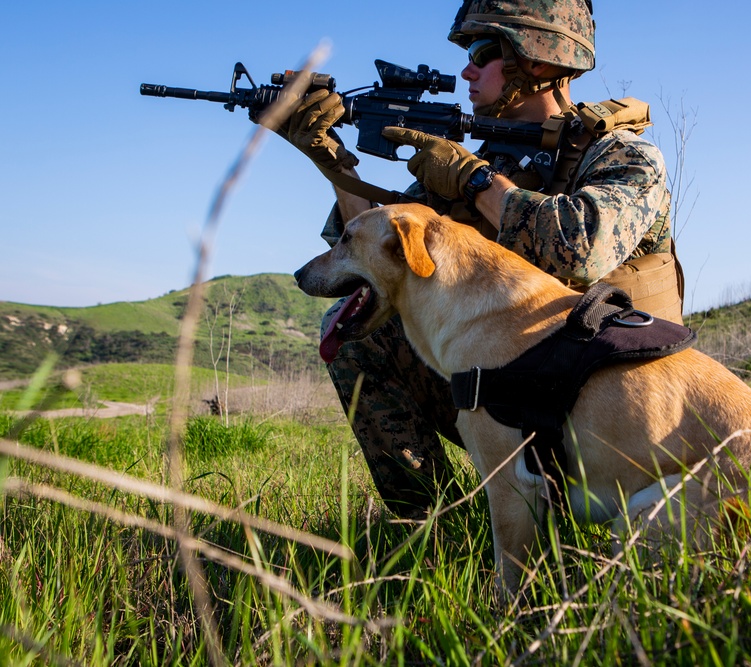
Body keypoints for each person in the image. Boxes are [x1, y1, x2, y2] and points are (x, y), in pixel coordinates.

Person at [277, 0, 684, 518]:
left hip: (615, 407)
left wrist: (474, 180)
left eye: (481, 51)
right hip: (509, 384)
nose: (466, 69)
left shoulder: (624, 156)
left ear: (536, 60)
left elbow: (580, 250)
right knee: (361, 336)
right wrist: (329, 157)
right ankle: (433, 525)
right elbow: (380, 252)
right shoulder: (475, 164)